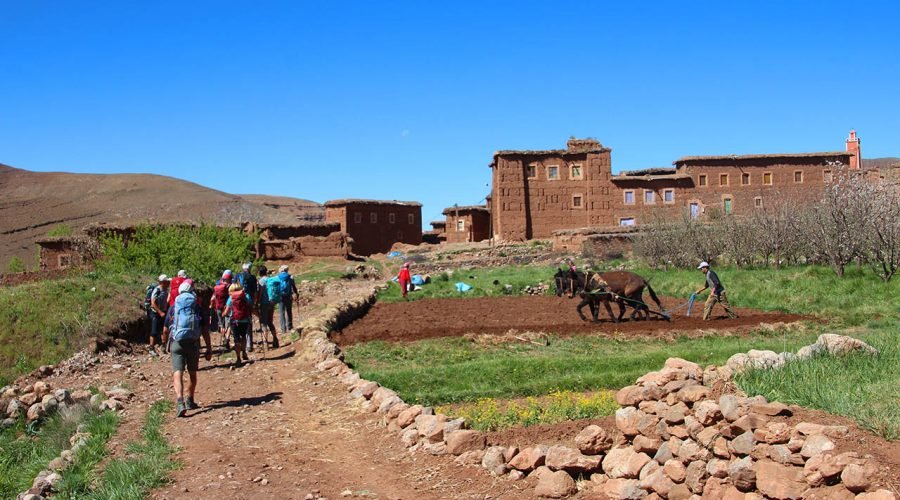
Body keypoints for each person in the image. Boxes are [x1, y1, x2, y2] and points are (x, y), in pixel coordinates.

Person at [170, 280, 212, 417]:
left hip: (177, 343)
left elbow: (166, 327)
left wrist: (165, 341)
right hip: (193, 343)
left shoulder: (174, 306)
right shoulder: (197, 306)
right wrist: (209, 347)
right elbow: (205, 328)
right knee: (192, 374)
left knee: (178, 372)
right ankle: (190, 399)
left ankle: (180, 401)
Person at [223, 282, 252, 367]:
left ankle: (238, 358)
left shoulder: (231, 298)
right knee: (243, 336)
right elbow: (250, 306)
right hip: (245, 320)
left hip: (234, 321)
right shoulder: (246, 296)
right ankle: (244, 352)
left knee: (236, 340)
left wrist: (223, 314)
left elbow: (227, 311)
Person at [236, 263, 258, 351]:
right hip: (248, 301)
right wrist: (255, 302)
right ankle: (249, 345)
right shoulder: (252, 277)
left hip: (237, 300)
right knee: (248, 321)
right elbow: (255, 292)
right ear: (249, 269)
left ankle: (239, 343)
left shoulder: (237, 276)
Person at [148, 275, 171, 356]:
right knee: (154, 331)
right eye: (167, 281)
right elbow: (153, 303)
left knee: (164, 330)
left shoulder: (166, 290)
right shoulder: (157, 290)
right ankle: (151, 348)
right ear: (162, 282)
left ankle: (164, 346)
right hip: (155, 312)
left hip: (163, 312)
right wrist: (160, 312)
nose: (169, 283)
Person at [257, 265, 279, 349]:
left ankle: (265, 343)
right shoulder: (270, 279)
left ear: (259, 272)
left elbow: (260, 293)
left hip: (264, 303)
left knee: (264, 323)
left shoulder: (261, 281)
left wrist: (257, 302)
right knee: (270, 322)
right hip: (272, 302)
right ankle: (275, 339)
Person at [212, 270, 232, 348]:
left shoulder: (217, 285)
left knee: (221, 325)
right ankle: (226, 340)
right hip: (227, 307)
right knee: (229, 324)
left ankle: (224, 340)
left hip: (218, 307)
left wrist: (213, 306)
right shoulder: (230, 286)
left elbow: (213, 298)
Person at [277, 265, 299, 333]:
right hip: (288, 296)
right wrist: (296, 293)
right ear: (287, 270)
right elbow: (293, 287)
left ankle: (283, 329)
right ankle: (290, 326)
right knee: (289, 311)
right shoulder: (290, 277)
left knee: (281, 312)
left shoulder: (278, 277)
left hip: (280, 296)